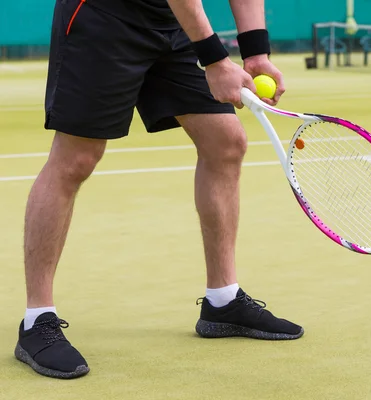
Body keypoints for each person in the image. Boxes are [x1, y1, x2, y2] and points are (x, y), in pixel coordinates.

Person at [15, 0, 303, 380]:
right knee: (77, 159)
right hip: (103, 16)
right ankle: (37, 321)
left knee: (225, 141)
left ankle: (223, 300)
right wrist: (216, 61)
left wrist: (256, 52)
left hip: (172, 23)